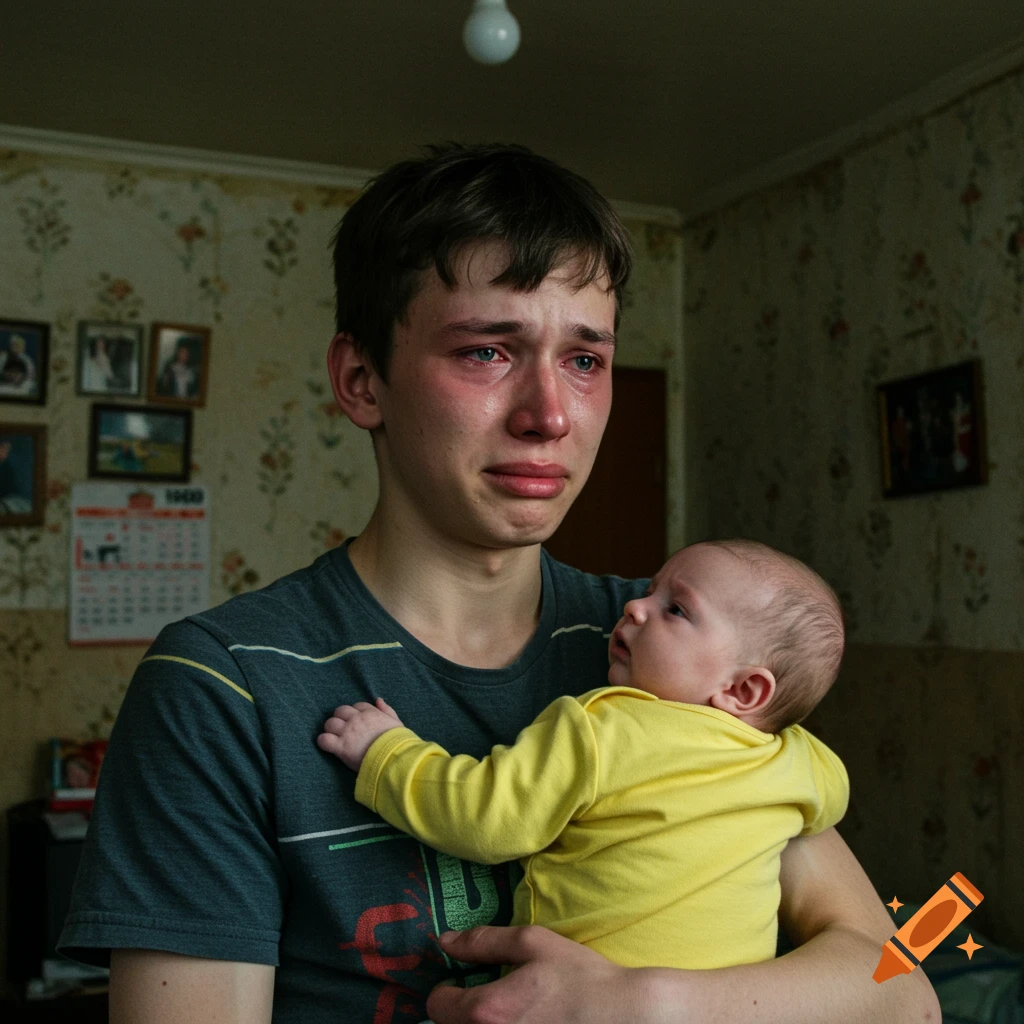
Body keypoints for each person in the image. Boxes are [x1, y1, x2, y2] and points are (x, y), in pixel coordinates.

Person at [59, 143, 940, 1024]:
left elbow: (903, 986)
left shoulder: (674, 660)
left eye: (586, 361)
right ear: (362, 380)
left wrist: (648, 1003)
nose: (549, 415)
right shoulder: (225, 684)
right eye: (487, 351)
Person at [318, 538, 849, 972]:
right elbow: (831, 802)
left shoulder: (605, 730)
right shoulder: (800, 763)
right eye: (650, 590)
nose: (635, 607)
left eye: (677, 609)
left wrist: (385, 754)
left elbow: (487, 816)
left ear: (745, 691)